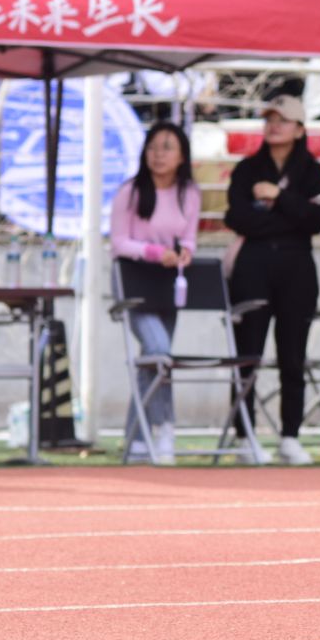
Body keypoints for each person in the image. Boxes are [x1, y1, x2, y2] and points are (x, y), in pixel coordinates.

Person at [223, 95, 320, 465]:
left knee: (293, 356)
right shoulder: (247, 169)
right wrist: (289, 218)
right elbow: (237, 218)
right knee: (247, 354)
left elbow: (316, 220)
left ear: (299, 129)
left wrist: (278, 197)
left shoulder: (312, 171)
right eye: (269, 119)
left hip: (297, 269)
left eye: (283, 120)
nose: (274, 126)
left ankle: (290, 436)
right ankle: (245, 436)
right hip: (252, 266)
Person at [110, 122, 201, 464]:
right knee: (160, 351)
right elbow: (119, 242)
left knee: (153, 359)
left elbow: (189, 236)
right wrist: (153, 252)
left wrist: (185, 252)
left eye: (167, 148)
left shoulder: (189, 192)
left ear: (181, 156)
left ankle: (136, 439)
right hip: (135, 281)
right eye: (152, 147)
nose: (158, 155)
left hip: (169, 283)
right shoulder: (131, 191)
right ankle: (164, 427)